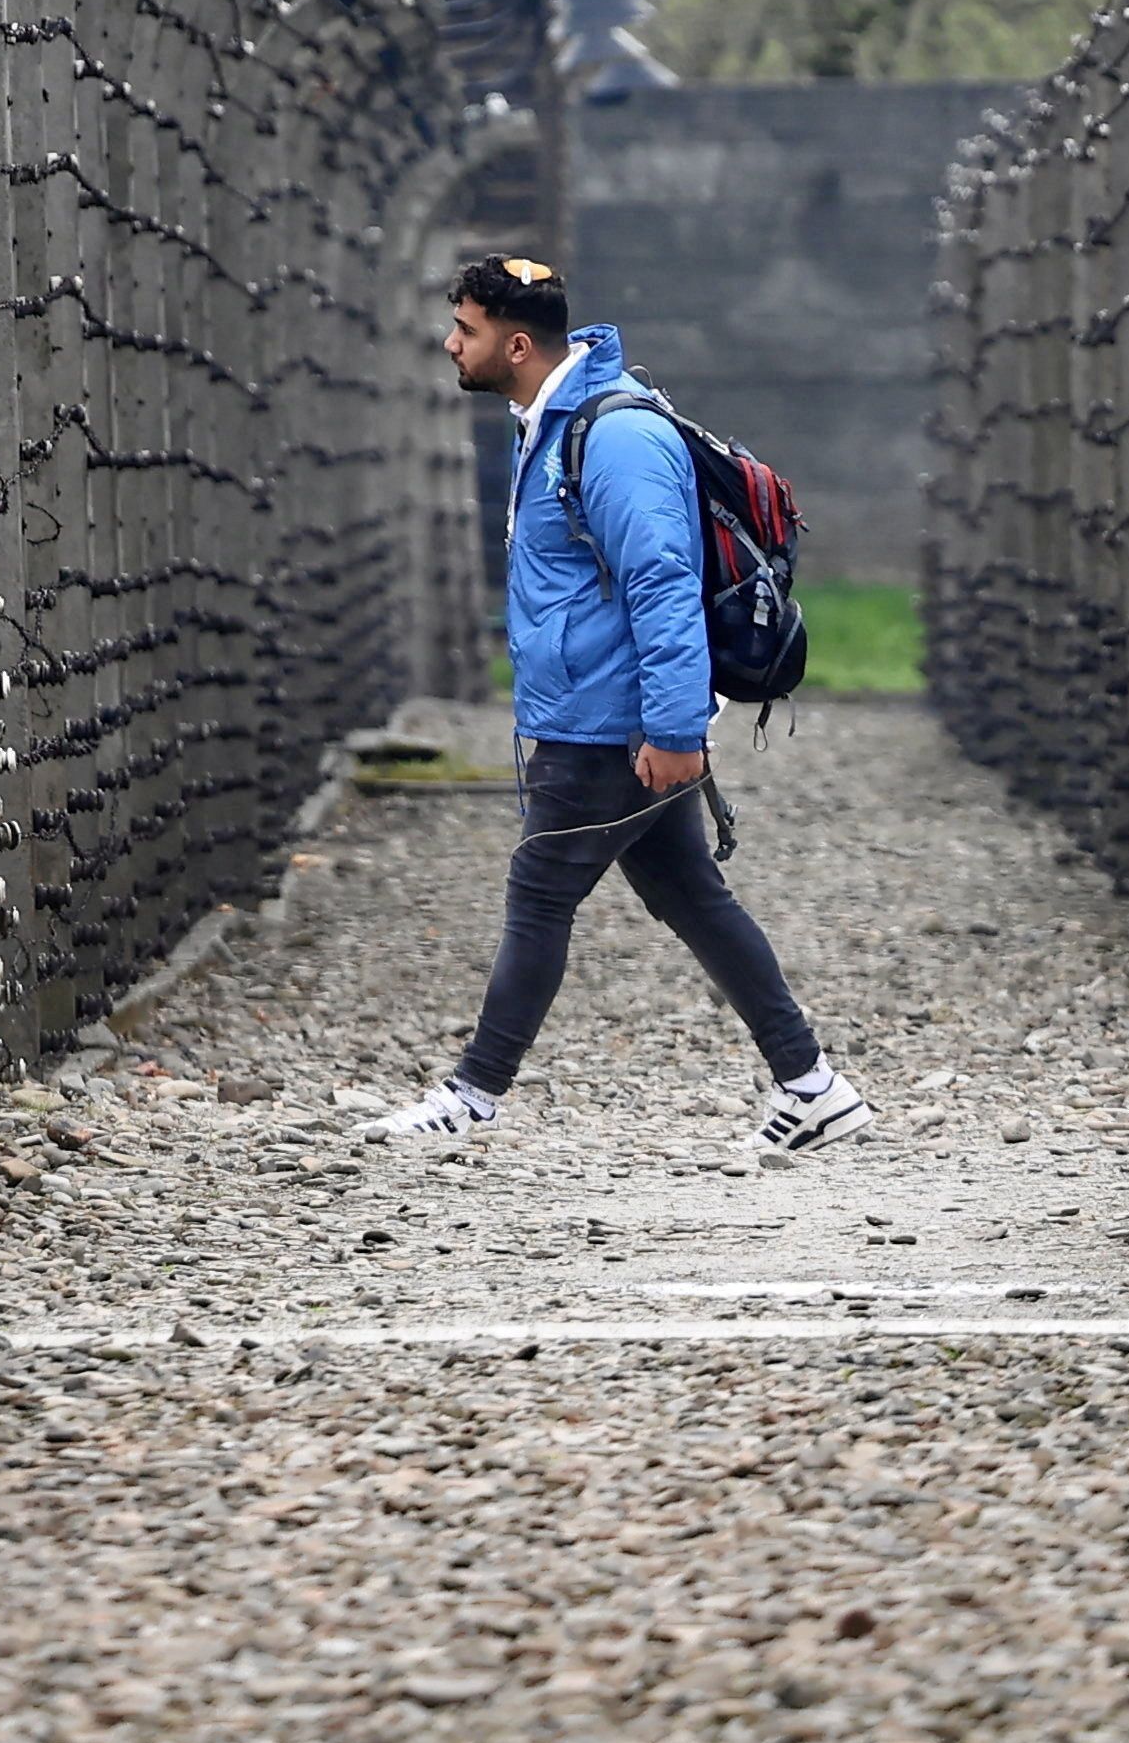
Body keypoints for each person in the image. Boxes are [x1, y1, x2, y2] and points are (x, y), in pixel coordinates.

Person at [368, 254, 869, 1154]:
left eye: (467, 332)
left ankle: (472, 1096)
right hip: (604, 714)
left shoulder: (613, 436)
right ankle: (812, 1084)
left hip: (610, 725)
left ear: (517, 345)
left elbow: (662, 583)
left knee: (539, 891)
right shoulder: (559, 422)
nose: (451, 344)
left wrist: (675, 727)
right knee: (691, 894)